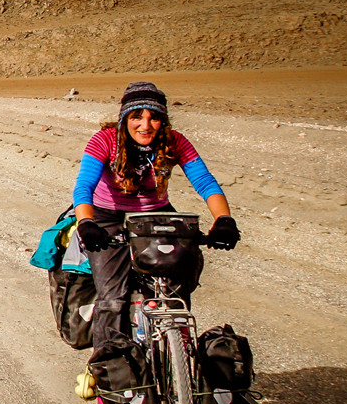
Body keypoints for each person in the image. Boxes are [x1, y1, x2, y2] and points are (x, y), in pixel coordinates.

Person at [72, 81, 240, 345]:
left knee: (176, 288)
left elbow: (205, 182)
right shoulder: (104, 140)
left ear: (164, 120)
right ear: (124, 118)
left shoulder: (175, 142)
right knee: (113, 297)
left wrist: (224, 219)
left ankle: (179, 352)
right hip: (108, 215)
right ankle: (108, 366)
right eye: (137, 116)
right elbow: (84, 186)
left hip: (156, 215)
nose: (145, 125)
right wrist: (86, 222)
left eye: (154, 117)